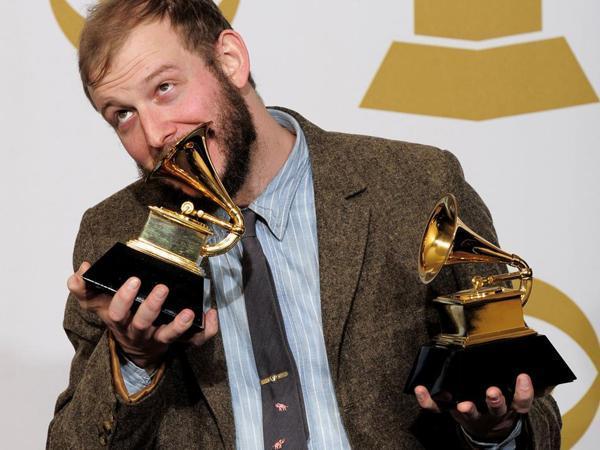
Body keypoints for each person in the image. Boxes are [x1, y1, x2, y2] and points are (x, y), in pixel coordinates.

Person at [47, 1, 562, 448]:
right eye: (122, 115)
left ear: (230, 61)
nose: (156, 134)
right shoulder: (114, 231)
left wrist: (493, 430)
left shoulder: (418, 185)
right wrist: (134, 359)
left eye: (164, 88)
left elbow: (532, 411)